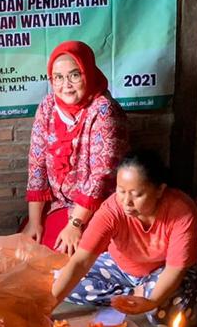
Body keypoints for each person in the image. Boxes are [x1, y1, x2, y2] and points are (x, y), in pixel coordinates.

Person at [51, 151, 197, 323]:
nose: (126, 201)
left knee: (161, 312)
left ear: (160, 190)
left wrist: (152, 302)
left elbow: (174, 269)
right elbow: (81, 261)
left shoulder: (181, 211)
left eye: (137, 194)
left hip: (162, 271)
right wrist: (46, 309)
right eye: (121, 191)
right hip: (120, 267)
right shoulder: (112, 210)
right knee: (60, 279)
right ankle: (134, 294)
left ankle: (145, 296)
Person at [24, 41, 129, 256]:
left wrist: (75, 225)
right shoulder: (48, 106)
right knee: (28, 246)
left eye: (74, 75)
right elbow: (37, 164)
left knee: (68, 257)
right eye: (58, 78)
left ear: (87, 72)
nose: (66, 85)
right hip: (58, 204)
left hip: (96, 208)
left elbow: (101, 176)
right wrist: (34, 223)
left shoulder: (104, 111)